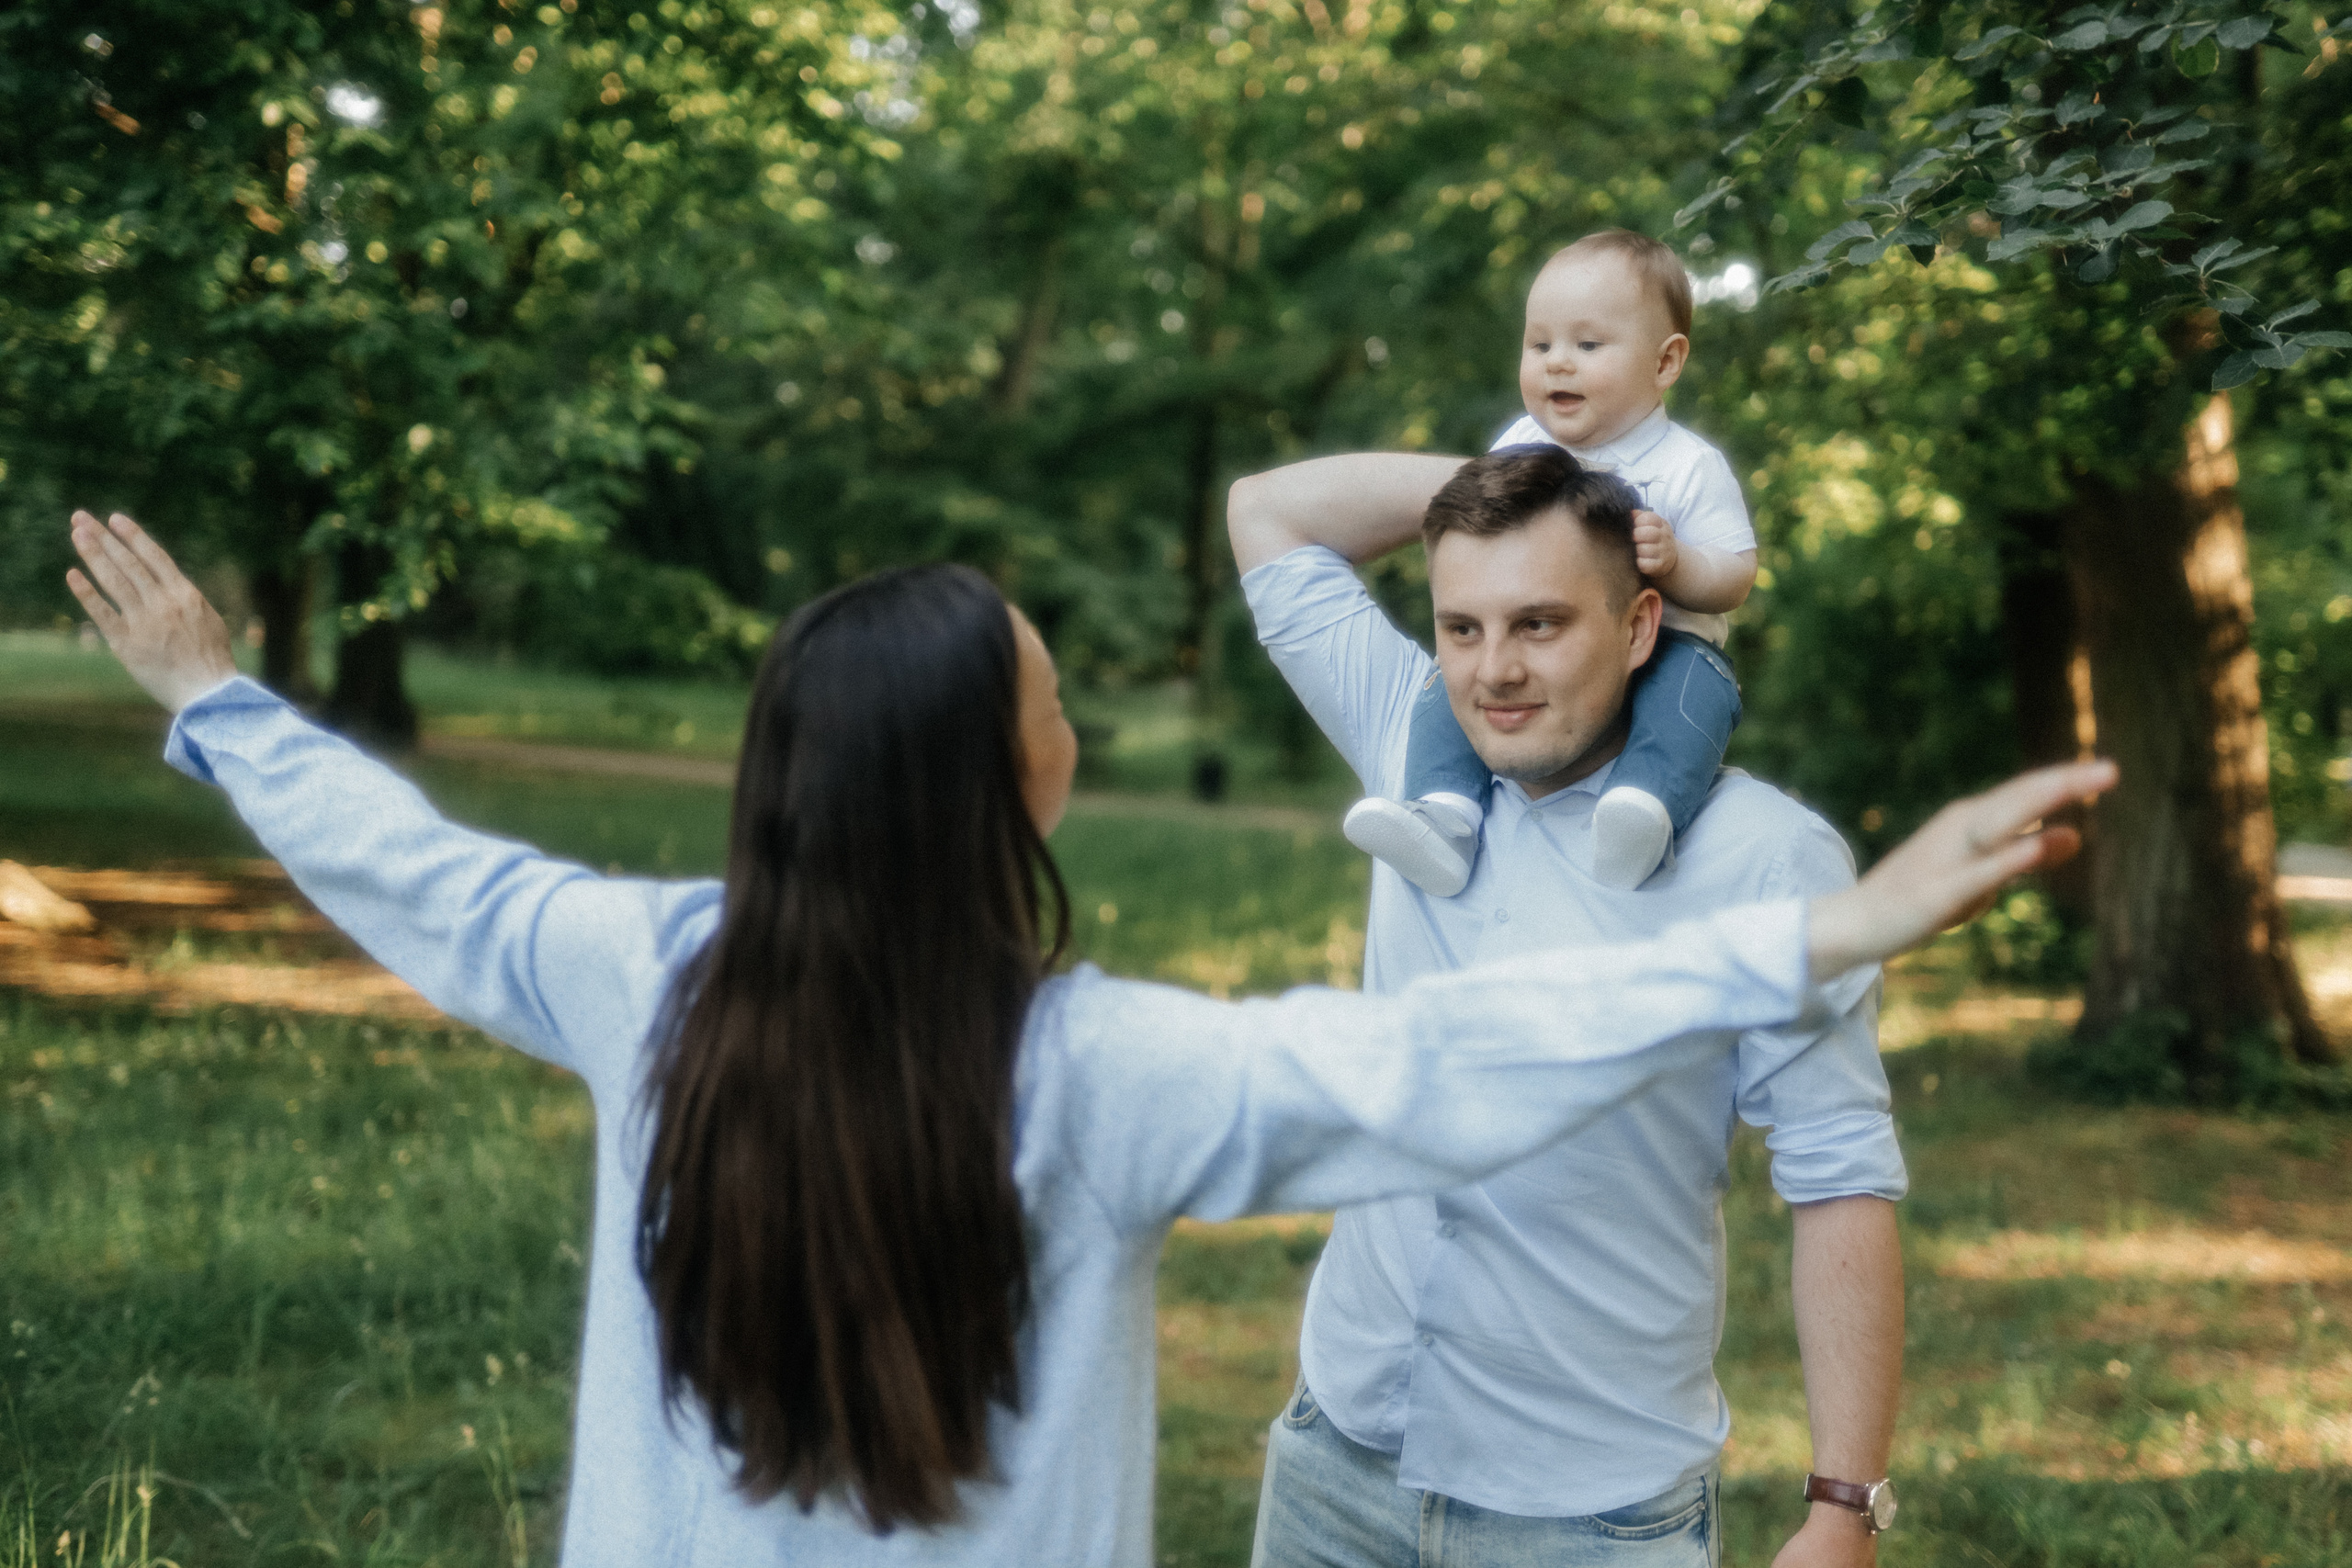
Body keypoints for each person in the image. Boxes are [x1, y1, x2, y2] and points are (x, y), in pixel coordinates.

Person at [64, 508, 2108, 1567]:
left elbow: (407, 864)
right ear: (1008, 791)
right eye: (1050, 692)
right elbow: (1446, 1061)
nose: (1074, 713)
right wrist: (1820, 931)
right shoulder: (1107, 1074)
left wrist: (212, 695)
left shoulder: (638, 969)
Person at [1229, 447, 1925, 1568]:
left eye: (1540, 623)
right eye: (1462, 628)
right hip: (1336, 1459)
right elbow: (1264, 508)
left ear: (1642, 625)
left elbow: (1838, 1171)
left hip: (1588, 1514)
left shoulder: (1765, 858)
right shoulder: (1413, 747)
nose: (1492, 671)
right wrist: (1559, 469)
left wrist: (1844, 1506)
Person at [1341, 230, 1758, 896]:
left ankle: (1644, 812)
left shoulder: (1688, 465)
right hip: (1546, 638)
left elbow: (1737, 574)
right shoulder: (1520, 446)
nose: (1558, 364)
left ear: (1666, 362)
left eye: (1588, 346)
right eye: (1541, 346)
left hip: (1674, 641)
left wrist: (1678, 565)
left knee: (1692, 702)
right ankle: (1443, 817)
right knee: (1456, 683)